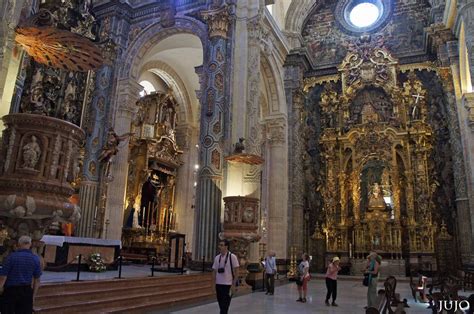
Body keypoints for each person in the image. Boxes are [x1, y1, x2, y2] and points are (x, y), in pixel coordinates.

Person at [0, 235, 42, 313]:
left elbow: (3, 277)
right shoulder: (35, 259)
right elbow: (37, 280)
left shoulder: (11, 257)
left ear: (18, 245)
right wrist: (33, 296)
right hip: (26, 291)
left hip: (11, 291)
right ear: (30, 244)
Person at [212, 239, 239, 314]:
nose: (219, 247)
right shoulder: (217, 258)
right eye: (219, 245)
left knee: (225, 306)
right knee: (221, 305)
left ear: (226, 247)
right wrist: (213, 285)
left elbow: (236, 271)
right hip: (218, 284)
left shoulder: (232, 257)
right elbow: (214, 271)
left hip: (228, 285)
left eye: (221, 245)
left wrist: (233, 285)